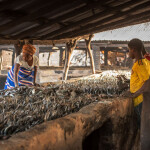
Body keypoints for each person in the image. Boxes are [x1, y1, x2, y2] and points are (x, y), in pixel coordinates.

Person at [127, 38, 150, 150]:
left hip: (141, 101)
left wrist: (136, 93)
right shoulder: (142, 62)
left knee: (144, 129)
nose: (128, 53)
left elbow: (148, 81)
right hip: (140, 100)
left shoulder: (141, 63)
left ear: (133, 49)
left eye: (129, 50)